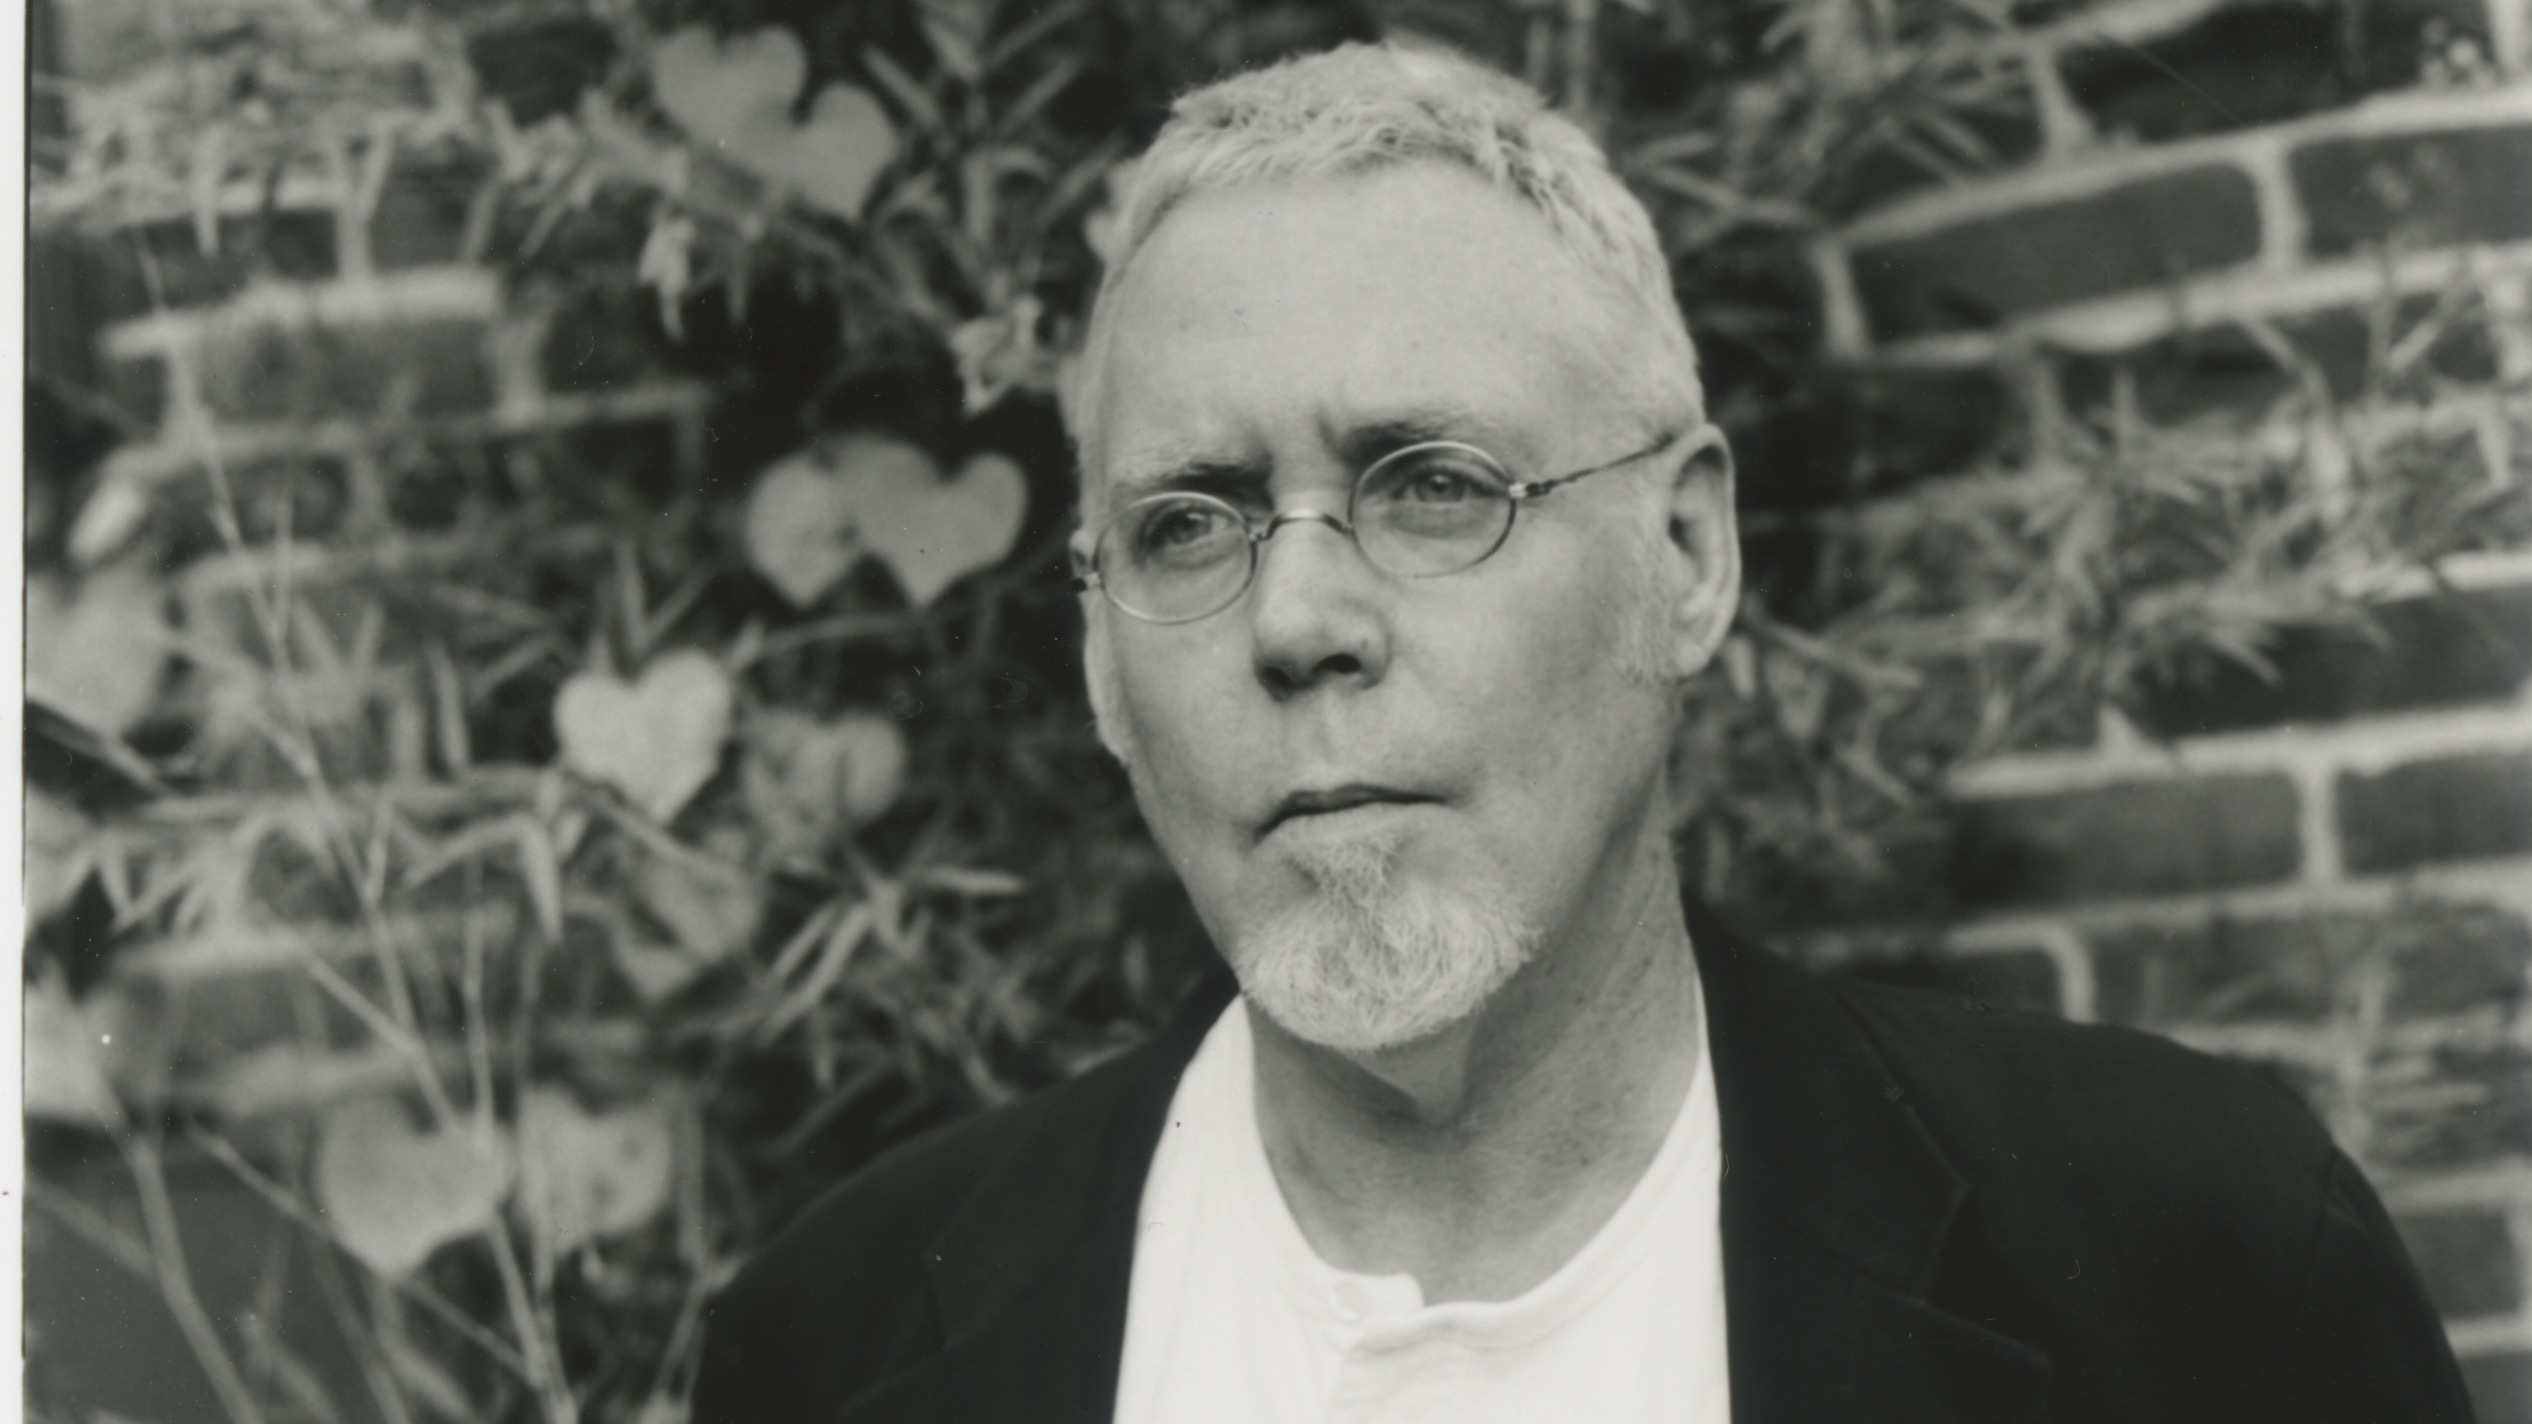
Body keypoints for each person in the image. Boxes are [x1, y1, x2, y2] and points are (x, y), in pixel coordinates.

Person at [693, 44, 2474, 1424]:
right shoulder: (837, 1348)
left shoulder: (2195, 1267)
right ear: (1096, 655)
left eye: (1432, 486)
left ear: (1685, 559)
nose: (1299, 620)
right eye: (1188, 524)